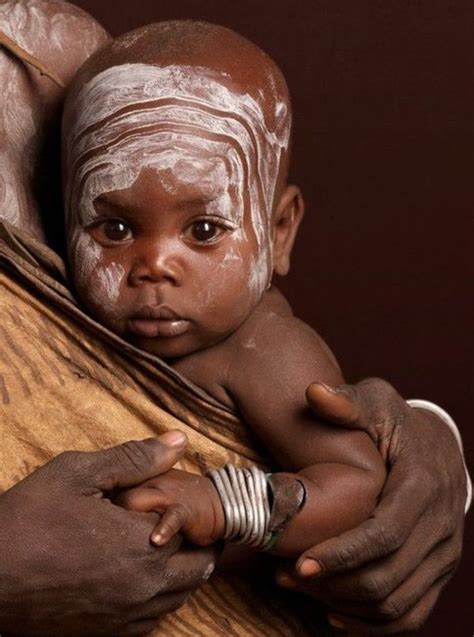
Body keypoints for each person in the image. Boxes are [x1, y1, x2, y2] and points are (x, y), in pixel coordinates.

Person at [0, 1, 470, 635]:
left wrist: (223, 504)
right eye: (114, 229)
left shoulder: (261, 347)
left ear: (278, 233)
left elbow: (360, 488)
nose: (153, 266)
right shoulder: (68, 311)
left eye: (203, 230)